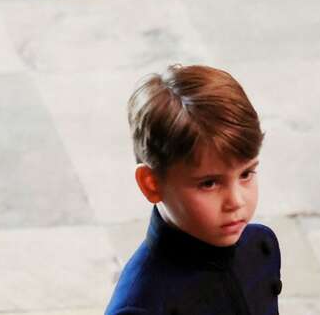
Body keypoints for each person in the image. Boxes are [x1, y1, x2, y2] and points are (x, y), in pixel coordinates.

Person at [105, 64, 282, 315]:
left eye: (246, 174)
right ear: (151, 183)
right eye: (209, 183)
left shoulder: (259, 246)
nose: (236, 201)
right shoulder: (140, 305)